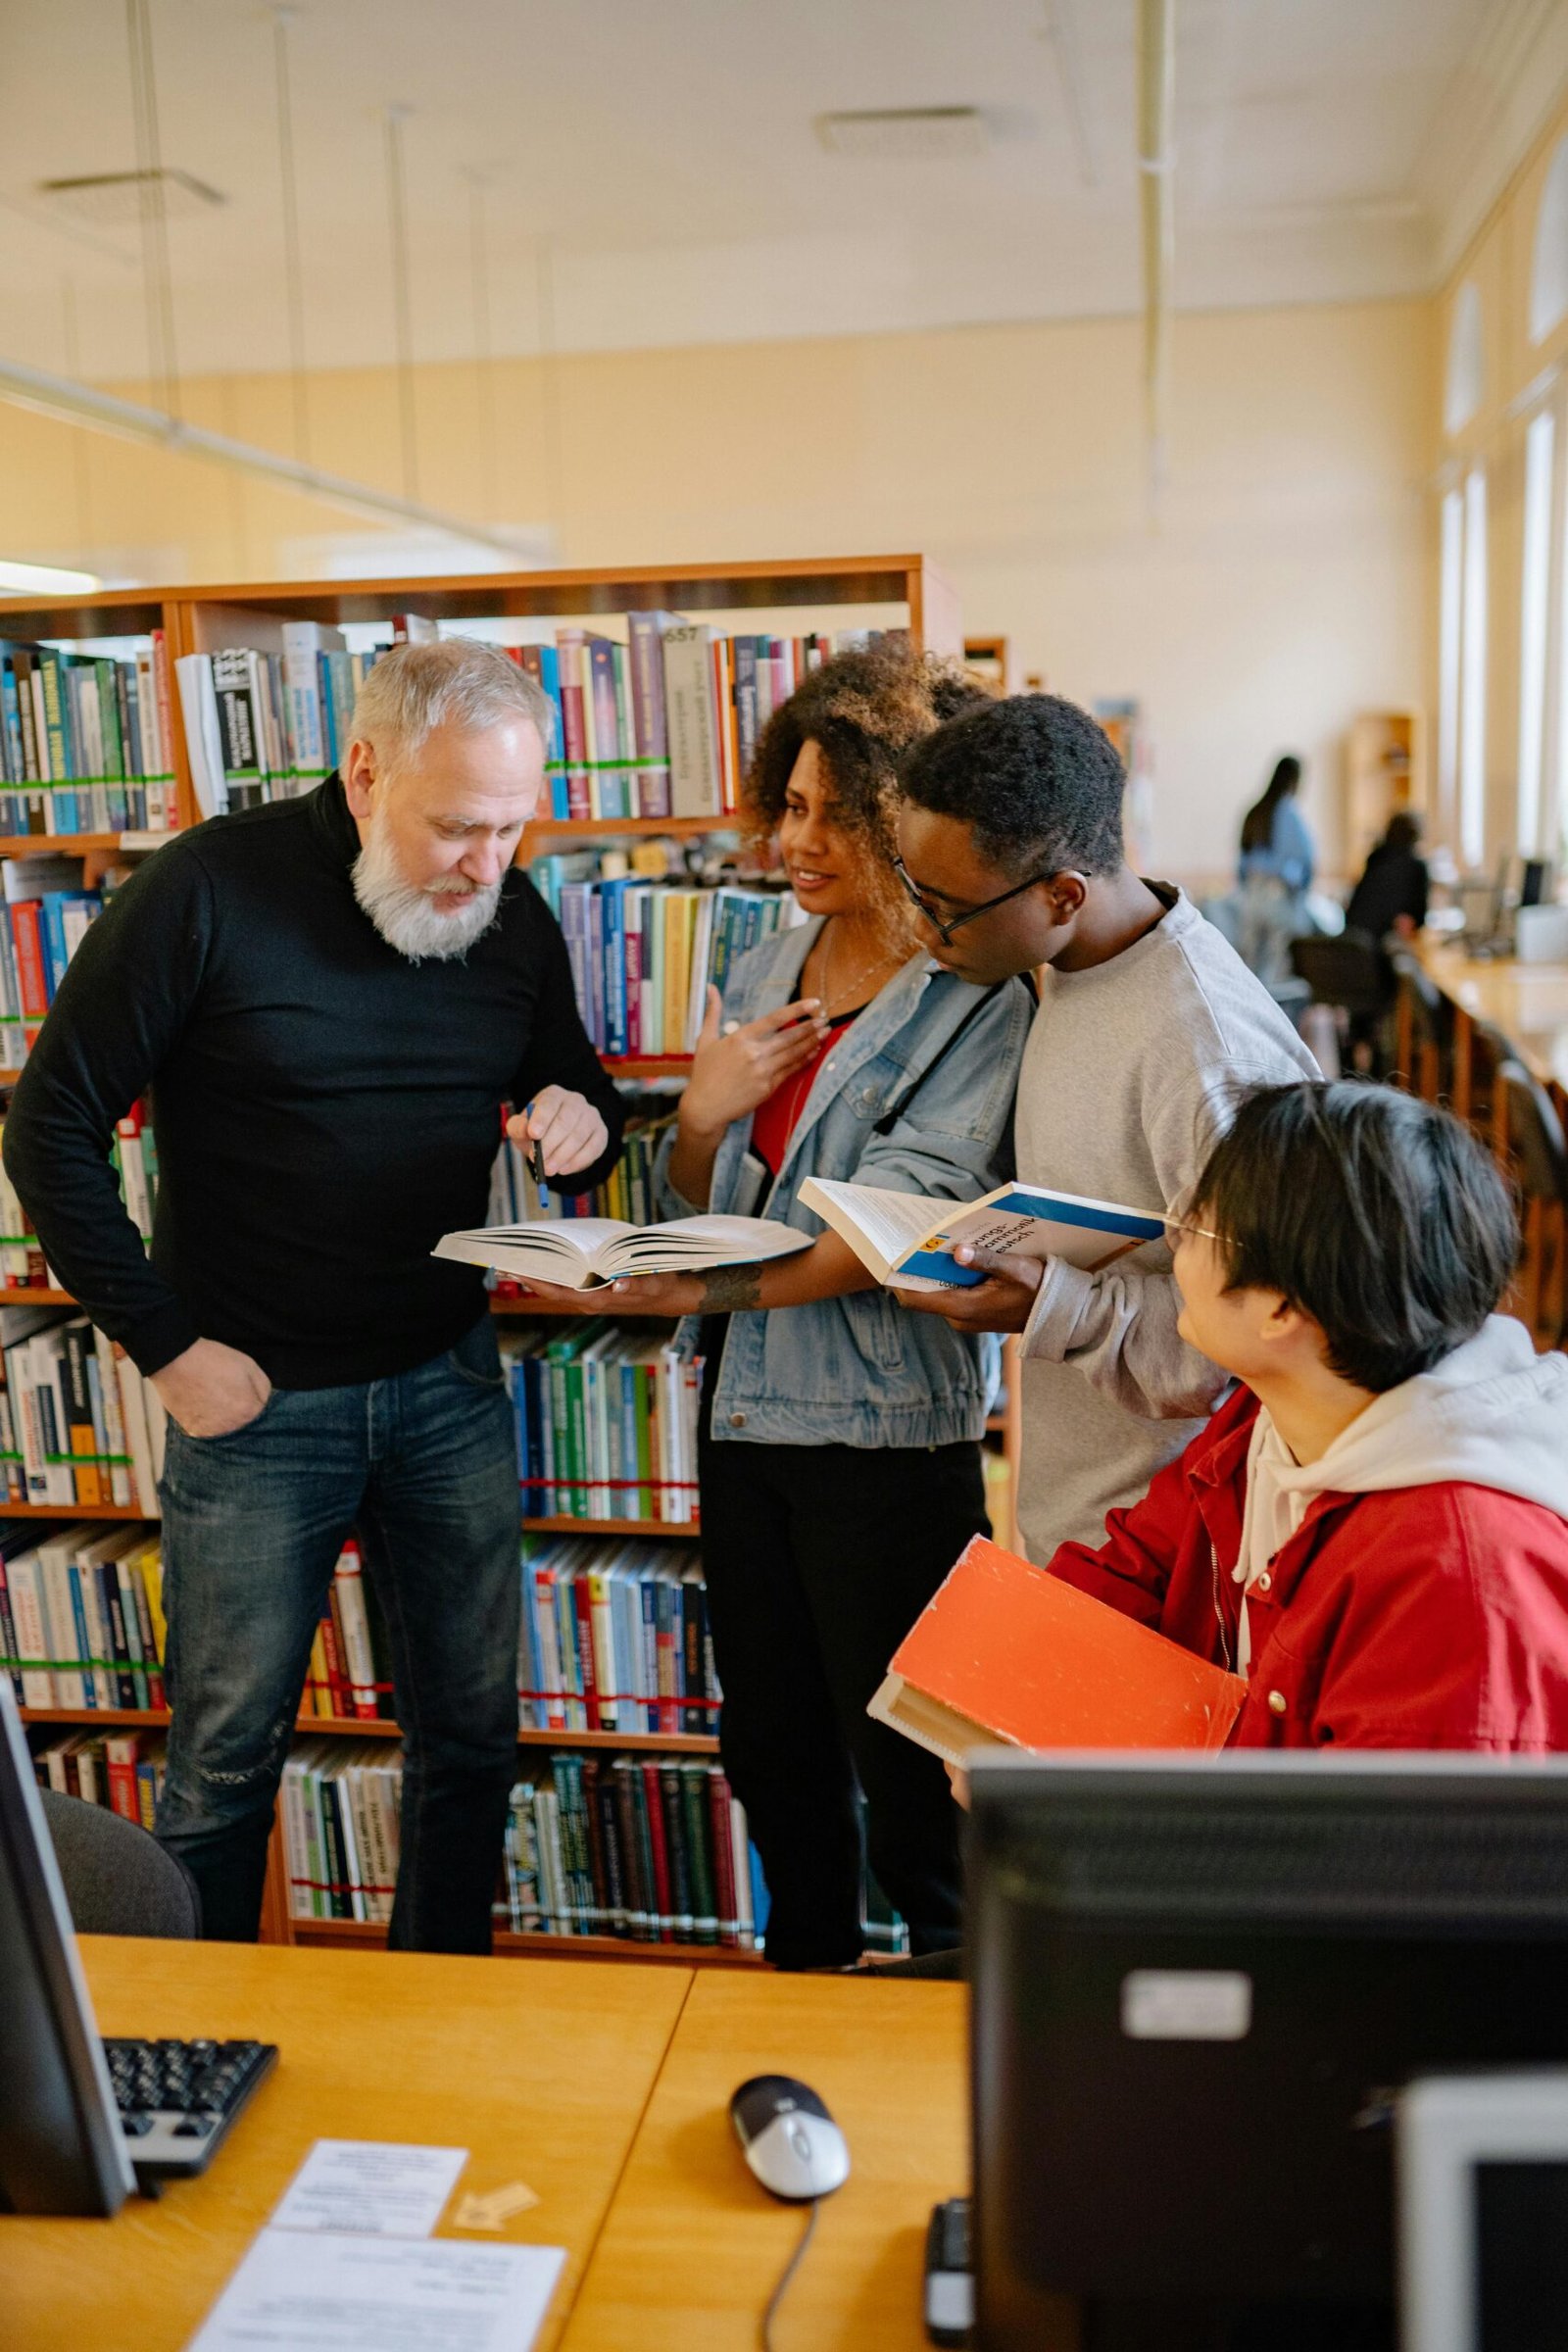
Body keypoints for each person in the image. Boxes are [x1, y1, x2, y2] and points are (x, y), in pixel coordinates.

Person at [2, 638, 624, 1949]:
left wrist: (581, 1121)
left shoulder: (512, 913)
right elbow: (50, 1125)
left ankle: (437, 2001)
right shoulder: (207, 890)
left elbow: (576, 1088)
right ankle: (205, 2039)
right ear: (362, 771)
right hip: (256, 1401)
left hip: (445, 1382)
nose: (486, 866)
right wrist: (164, 1345)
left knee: (470, 1740)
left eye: (513, 828)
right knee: (224, 1763)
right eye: (457, 827)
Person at [525, 646, 1032, 1969]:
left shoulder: (974, 991)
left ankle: (944, 2015)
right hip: (743, 1411)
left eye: (834, 815)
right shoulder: (762, 965)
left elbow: (887, 1238)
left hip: (882, 1431)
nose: (795, 839)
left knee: (909, 1767)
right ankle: (800, 1978)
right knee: (773, 1745)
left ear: (905, 824)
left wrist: (684, 1281)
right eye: (790, 805)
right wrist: (697, 1115)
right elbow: (702, 1182)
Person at [891, 691, 1318, 1564]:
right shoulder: (1074, 964)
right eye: (914, 892)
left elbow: (1271, 1333)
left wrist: (1053, 1306)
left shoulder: (1208, 1053)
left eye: (946, 908)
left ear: (1061, 894)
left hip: (1177, 1551)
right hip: (1083, 1515)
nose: (926, 932)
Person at [1045, 1081, 1568, 1747]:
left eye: (1197, 1227)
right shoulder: (1277, 1413)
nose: (1175, 1247)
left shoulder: (1455, 1577)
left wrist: (1061, 1804)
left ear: (1283, 1310)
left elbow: (1378, 1849)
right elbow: (1131, 1572)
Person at [1345, 808, 1429, 942]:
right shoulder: (1416, 867)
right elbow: (1417, 918)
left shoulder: (1375, 858)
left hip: (1353, 940)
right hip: (1382, 943)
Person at [1237, 754, 1313, 893]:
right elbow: (1306, 859)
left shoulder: (1255, 812)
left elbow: (1242, 867)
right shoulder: (1289, 813)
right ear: (1295, 780)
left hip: (1250, 900)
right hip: (1280, 897)